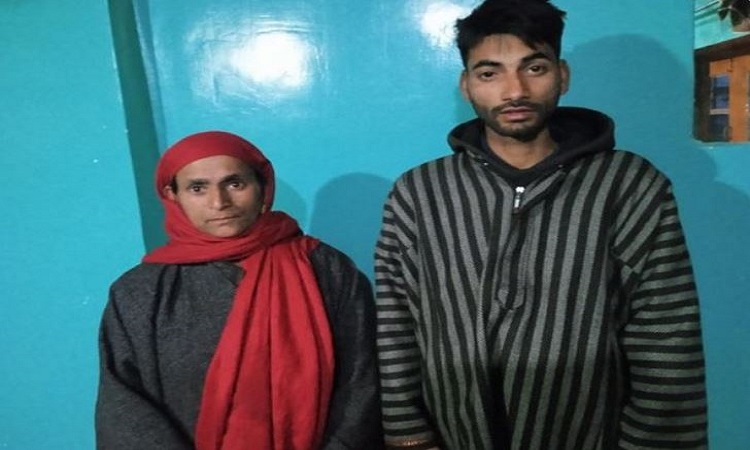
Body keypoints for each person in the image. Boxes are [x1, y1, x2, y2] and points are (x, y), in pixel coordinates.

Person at [374, 1, 708, 449]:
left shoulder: (628, 185)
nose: (514, 91)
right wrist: (407, 433)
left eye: (534, 68)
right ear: (467, 85)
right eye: (489, 73)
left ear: (562, 75)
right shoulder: (419, 192)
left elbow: (666, 338)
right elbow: (395, 321)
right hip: (453, 436)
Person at [96, 131, 383, 449]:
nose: (219, 202)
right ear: (173, 196)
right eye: (198, 188)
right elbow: (124, 404)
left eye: (235, 183)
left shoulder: (326, 269)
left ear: (262, 188)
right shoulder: (139, 292)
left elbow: (361, 380)